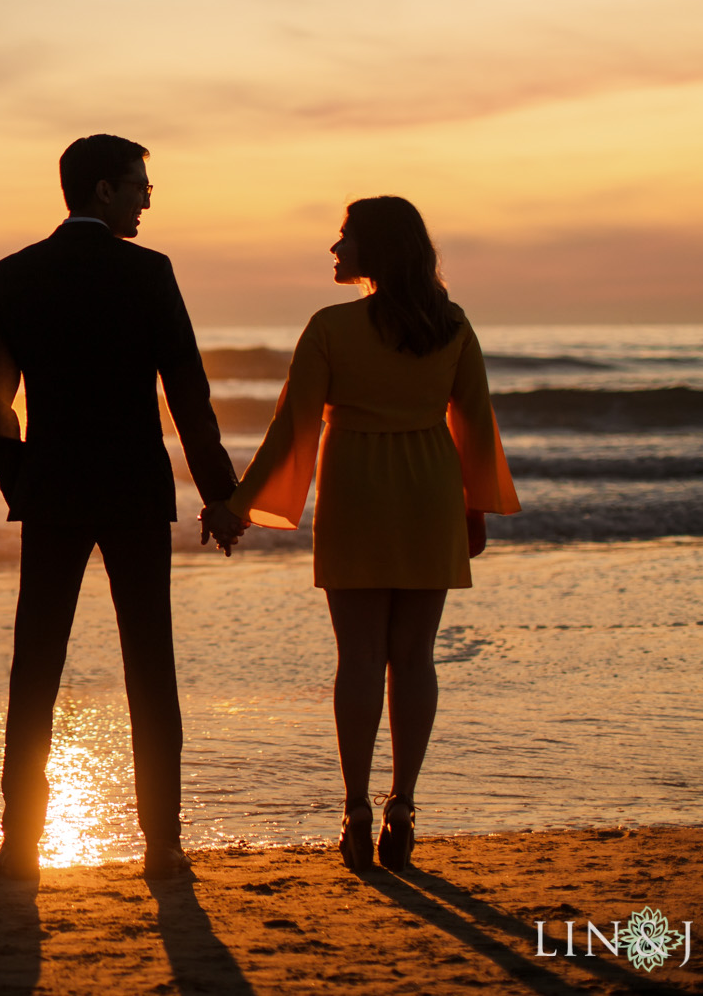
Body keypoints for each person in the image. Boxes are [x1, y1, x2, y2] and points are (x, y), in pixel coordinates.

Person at [204, 196, 519, 872]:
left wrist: (239, 503)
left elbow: (295, 428)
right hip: (430, 490)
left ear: (375, 248)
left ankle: (354, 807)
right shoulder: (451, 324)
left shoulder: (330, 327)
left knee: (359, 658)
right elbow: (475, 421)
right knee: (415, 657)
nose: (334, 247)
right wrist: (474, 507)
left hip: (358, 490)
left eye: (345, 236)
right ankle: (403, 802)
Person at [0, 134, 242, 883]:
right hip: (132, 491)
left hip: (51, 491)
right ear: (101, 190)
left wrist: (19, 479)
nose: (147, 198)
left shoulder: (16, 273)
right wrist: (219, 495)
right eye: (137, 185)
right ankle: (163, 843)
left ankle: (20, 844)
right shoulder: (149, 273)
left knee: (35, 668)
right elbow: (188, 393)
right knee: (150, 666)